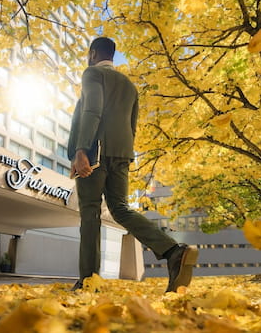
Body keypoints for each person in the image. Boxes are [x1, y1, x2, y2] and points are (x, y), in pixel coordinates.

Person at [68, 37, 198, 292]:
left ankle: (87, 282)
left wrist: (82, 149)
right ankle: (172, 251)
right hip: (123, 155)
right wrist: (123, 154)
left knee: (90, 213)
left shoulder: (92, 73)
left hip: (95, 153)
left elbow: (92, 109)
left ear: (93, 54)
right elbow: (132, 126)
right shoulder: (129, 86)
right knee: (120, 209)